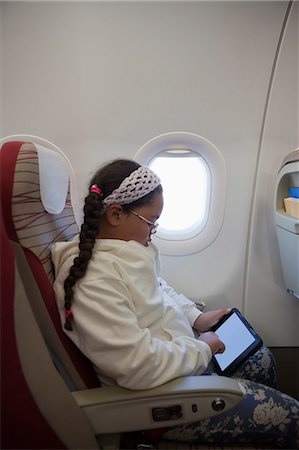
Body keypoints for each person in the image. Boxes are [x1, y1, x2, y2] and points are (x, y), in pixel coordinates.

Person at [51, 159, 299, 449]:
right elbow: (138, 366)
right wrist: (201, 347)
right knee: (292, 419)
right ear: (116, 214)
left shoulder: (124, 253)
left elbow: (158, 286)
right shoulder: (92, 279)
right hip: (158, 397)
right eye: (151, 223)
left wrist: (195, 318)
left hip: (176, 361)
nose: (152, 233)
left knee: (261, 364)